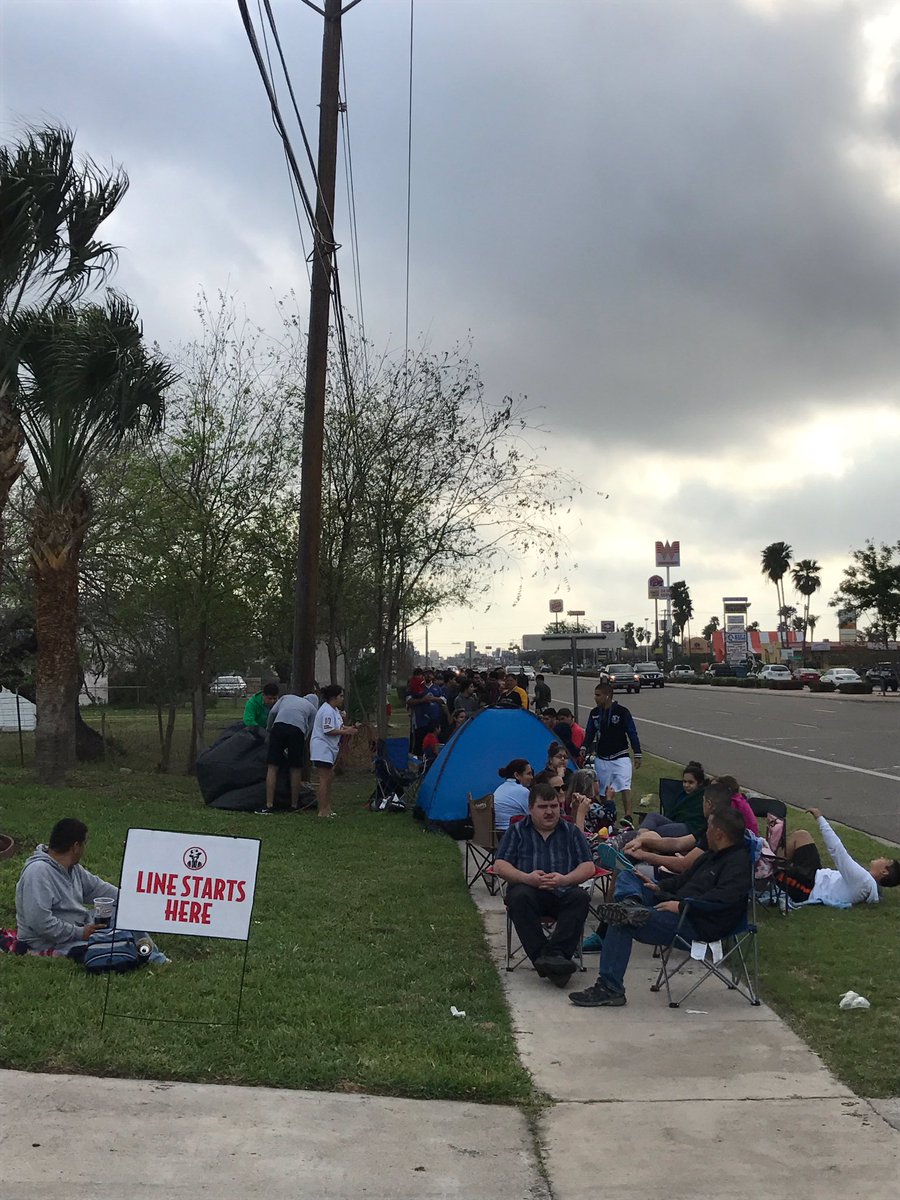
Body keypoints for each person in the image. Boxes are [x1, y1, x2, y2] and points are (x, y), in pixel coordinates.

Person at [569, 807, 750, 1007]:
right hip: (675, 903)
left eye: (708, 827)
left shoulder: (738, 864)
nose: (705, 833)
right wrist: (658, 886)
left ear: (719, 833)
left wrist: (681, 906)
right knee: (630, 875)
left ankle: (610, 988)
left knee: (620, 920)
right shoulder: (711, 856)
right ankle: (632, 902)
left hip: (697, 920)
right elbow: (683, 880)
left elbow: (721, 900)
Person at [494, 781, 595, 987]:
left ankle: (552, 956)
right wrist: (527, 878)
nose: (549, 812)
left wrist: (565, 879)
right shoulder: (517, 831)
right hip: (529, 892)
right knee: (519, 896)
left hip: (563, 892)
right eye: (542, 807)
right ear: (530, 809)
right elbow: (500, 865)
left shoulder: (571, 832)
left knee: (580, 898)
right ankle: (550, 959)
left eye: (554, 806)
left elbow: (588, 867)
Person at [15, 818, 119, 958]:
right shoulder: (38, 872)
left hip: (81, 927)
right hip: (50, 941)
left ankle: (142, 949)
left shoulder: (73, 869)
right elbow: (40, 922)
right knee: (107, 949)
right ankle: (148, 955)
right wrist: (80, 933)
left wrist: (134, 900)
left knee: (122, 913)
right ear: (76, 846)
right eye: (84, 844)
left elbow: (98, 889)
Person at [774, 808, 900, 906]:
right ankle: (773, 861)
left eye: (886, 861)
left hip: (809, 887)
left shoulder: (864, 880)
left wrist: (820, 818)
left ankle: (767, 870)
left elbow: (837, 851)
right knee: (802, 836)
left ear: (884, 871)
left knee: (775, 867)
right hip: (816, 874)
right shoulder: (866, 883)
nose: (882, 857)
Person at [622, 781, 734, 876]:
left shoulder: (715, 831)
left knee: (629, 872)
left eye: (703, 801)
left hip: (689, 881)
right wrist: (642, 840)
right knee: (641, 847)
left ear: (708, 804)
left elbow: (683, 866)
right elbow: (678, 843)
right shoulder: (714, 826)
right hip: (688, 875)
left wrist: (644, 855)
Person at [582, 681, 642, 821]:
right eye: (595, 695)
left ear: (607, 696)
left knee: (625, 785)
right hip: (602, 757)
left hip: (620, 755)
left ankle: (628, 816)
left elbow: (632, 732)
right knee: (603, 790)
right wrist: (584, 746)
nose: (595, 698)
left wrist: (637, 753)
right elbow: (590, 732)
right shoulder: (595, 713)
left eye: (598, 695)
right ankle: (607, 816)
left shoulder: (622, 712)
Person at [258, 691, 319, 814]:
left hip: (278, 727)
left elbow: (273, 713)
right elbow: (309, 729)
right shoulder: (313, 709)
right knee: (295, 768)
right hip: (297, 731)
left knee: (272, 766)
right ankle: (294, 805)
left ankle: (269, 805)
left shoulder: (287, 697)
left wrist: (269, 730)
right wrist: (301, 741)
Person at [309, 684, 358, 819]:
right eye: (340, 696)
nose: (342, 698)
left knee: (329, 777)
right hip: (322, 748)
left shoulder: (334, 710)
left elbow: (339, 726)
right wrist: (346, 732)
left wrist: (349, 729)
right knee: (324, 778)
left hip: (330, 748)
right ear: (333, 697)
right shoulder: (327, 711)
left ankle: (327, 807)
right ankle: (322, 810)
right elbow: (329, 730)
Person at [493, 759, 534, 830]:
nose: (532, 777)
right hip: (512, 834)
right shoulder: (523, 791)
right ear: (517, 775)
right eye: (528, 774)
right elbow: (535, 816)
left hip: (498, 833)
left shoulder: (500, 788)